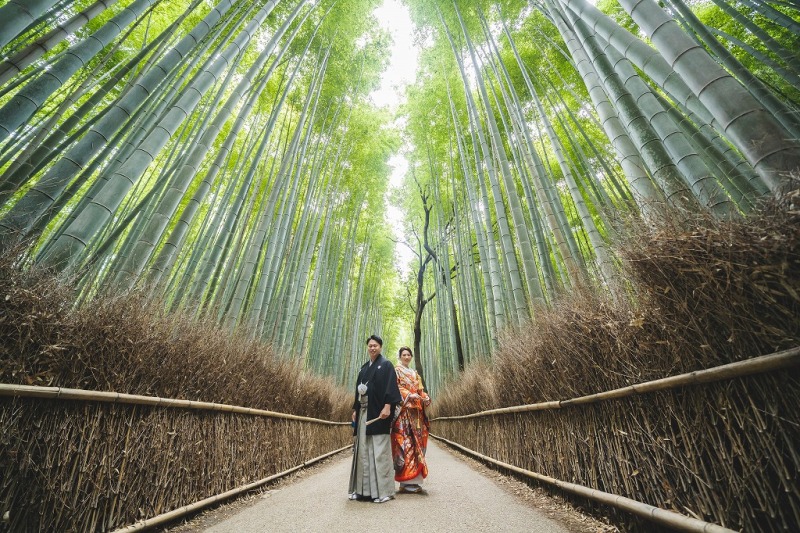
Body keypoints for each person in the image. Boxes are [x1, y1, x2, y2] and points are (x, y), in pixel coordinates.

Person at [348, 335, 402, 503]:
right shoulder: (364, 368)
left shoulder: (386, 365)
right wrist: (355, 409)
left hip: (378, 413)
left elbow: (391, 388)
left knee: (379, 452)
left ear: (380, 347)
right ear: (367, 347)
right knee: (362, 450)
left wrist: (387, 406)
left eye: (375, 345)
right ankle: (363, 491)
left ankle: (383, 492)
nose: (372, 348)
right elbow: (358, 391)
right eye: (370, 345)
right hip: (364, 412)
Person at [390, 346, 431, 493]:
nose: (406, 357)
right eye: (404, 355)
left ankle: (415, 481)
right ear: (400, 356)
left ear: (411, 357)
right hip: (404, 413)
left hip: (416, 414)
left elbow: (420, 390)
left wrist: (425, 397)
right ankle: (405, 482)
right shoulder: (396, 371)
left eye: (408, 355)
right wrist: (408, 395)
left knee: (416, 445)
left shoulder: (415, 373)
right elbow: (395, 387)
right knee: (405, 444)